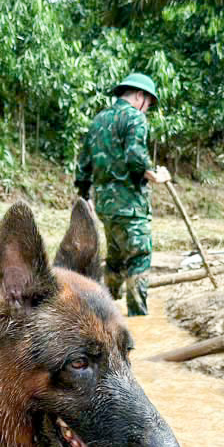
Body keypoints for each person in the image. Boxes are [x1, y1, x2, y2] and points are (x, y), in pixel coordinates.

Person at [75, 73, 169, 315]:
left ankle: (105, 311)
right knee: (139, 256)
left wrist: (85, 195)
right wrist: (156, 175)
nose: (146, 110)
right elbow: (135, 156)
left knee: (116, 257)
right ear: (140, 96)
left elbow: (84, 163)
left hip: (106, 206)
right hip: (130, 205)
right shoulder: (135, 118)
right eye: (147, 104)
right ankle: (138, 315)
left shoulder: (98, 120)